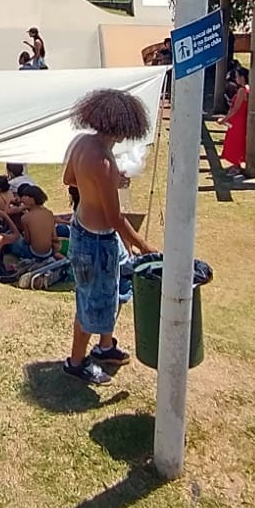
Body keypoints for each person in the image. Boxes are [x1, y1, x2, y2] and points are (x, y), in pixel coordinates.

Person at [60, 88, 158, 386]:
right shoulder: (101, 160)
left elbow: (70, 179)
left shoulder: (82, 143)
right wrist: (146, 247)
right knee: (92, 302)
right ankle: (76, 363)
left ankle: (105, 346)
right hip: (97, 242)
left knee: (114, 289)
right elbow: (115, 218)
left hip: (85, 231)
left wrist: (108, 181)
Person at [5, 182, 59, 262]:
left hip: (34, 253)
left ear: (32, 199)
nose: (23, 198)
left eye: (26, 196)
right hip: (49, 252)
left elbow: (27, 240)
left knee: (11, 239)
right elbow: (54, 236)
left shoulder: (26, 218)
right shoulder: (49, 213)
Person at [219, 64, 250, 169]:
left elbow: (235, 109)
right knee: (238, 142)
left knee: (235, 143)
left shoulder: (242, 91)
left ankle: (236, 165)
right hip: (240, 119)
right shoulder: (247, 89)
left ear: (242, 78)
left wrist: (224, 119)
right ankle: (236, 164)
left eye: (237, 76)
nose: (236, 79)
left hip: (238, 120)